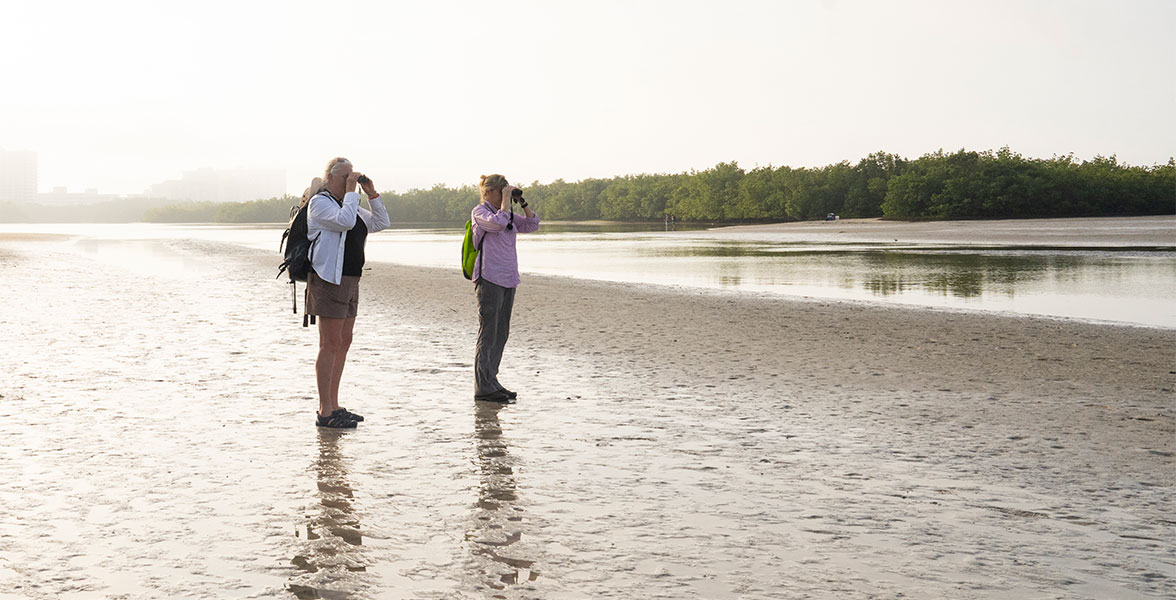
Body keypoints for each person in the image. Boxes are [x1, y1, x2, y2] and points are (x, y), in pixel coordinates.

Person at [306, 157, 391, 428]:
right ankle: (325, 411)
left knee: (344, 341)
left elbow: (381, 222)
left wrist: (371, 192)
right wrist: (352, 192)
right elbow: (343, 223)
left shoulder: (350, 205)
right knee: (329, 343)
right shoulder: (320, 203)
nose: (349, 181)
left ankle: (335, 404)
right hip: (328, 279)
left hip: (351, 279)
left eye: (351, 177)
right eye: (345, 177)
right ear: (330, 178)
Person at [470, 174, 540, 402]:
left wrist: (522, 202)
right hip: (489, 278)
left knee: (501, 333)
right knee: (488, 333)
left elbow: (532, 224)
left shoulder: (507, 213)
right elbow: (498, 224)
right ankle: (483, 387)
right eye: (501, 192)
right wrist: (505, 202)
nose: (504, 197)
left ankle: (492, 380)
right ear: (489, 192)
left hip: (508, 278)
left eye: (505, 192)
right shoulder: (480, 213)